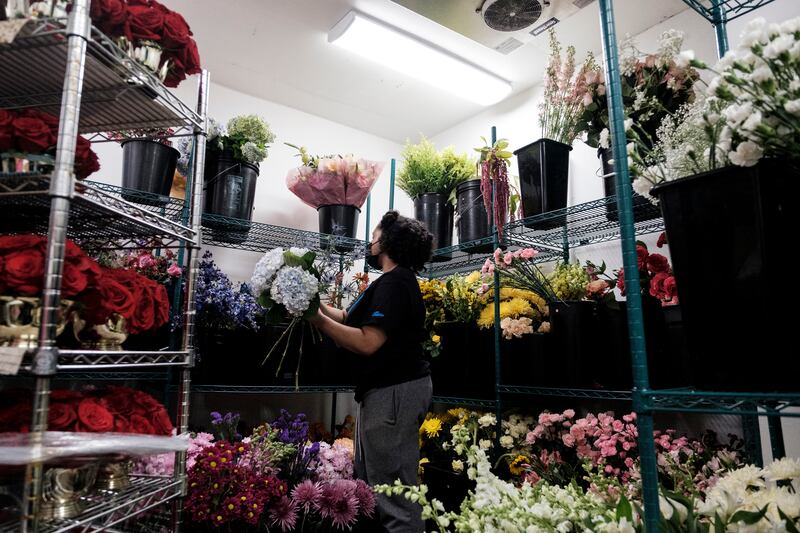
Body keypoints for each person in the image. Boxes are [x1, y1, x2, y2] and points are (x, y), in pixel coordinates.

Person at [310, 210, 433, 532]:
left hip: (395, 391)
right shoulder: (389, 282)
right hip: (385, 391)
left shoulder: (396, 284)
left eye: (375, 236)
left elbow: (368, 342)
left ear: (387, 242)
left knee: (393, 491)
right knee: (375, 483)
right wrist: (312, 300)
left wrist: (316, 320)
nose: (370, 242)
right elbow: (349, 318)